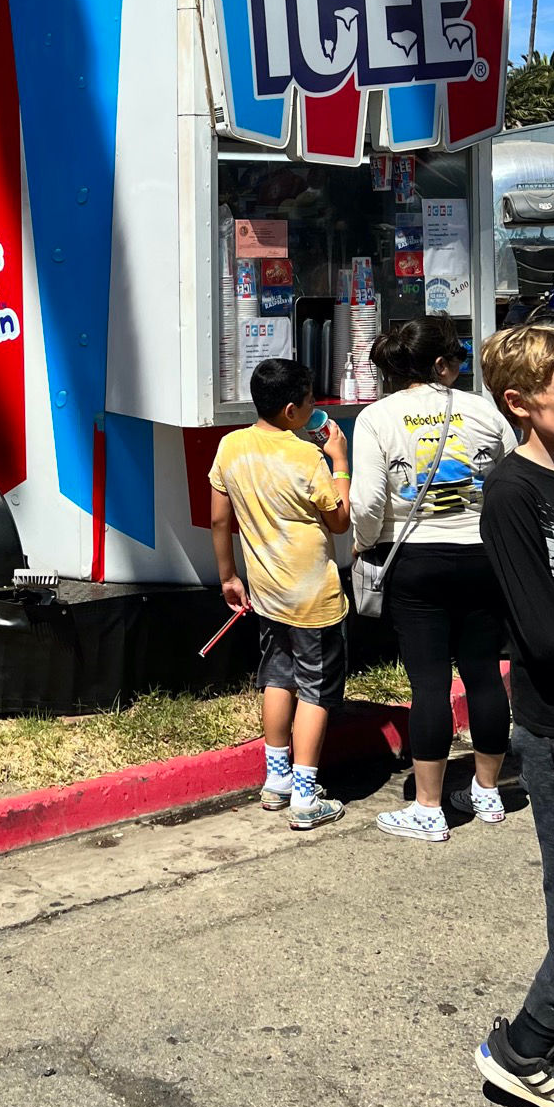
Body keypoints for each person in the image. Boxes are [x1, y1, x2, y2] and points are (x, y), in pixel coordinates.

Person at [350, 316, 516, 842]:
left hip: (416, 562)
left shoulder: (377, 417)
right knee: (485, 674)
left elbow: (369, 503)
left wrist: (364, 541)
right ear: (443, 364)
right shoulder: (483, 411)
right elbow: (511, 476)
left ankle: (428, 807)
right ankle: (488, 791)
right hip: (483, 556)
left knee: (429, 684)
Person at [474, 324, 554, 1107]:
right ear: (518, 403)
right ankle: (524, 1050)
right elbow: (543, 634)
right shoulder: (511, 494)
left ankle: (526, 1043)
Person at [209, 356, 351, 832]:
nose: (315, 408)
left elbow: (218, 519)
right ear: (292, 410)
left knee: (277, 677)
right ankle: (307, 796)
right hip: (314, 596)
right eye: (311, 402)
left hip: (266, 592)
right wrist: (340, 463)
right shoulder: (307, 457)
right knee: (315, 689)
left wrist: (229, 575)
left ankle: (277, 781)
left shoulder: (230, 447)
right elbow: (340, 519)